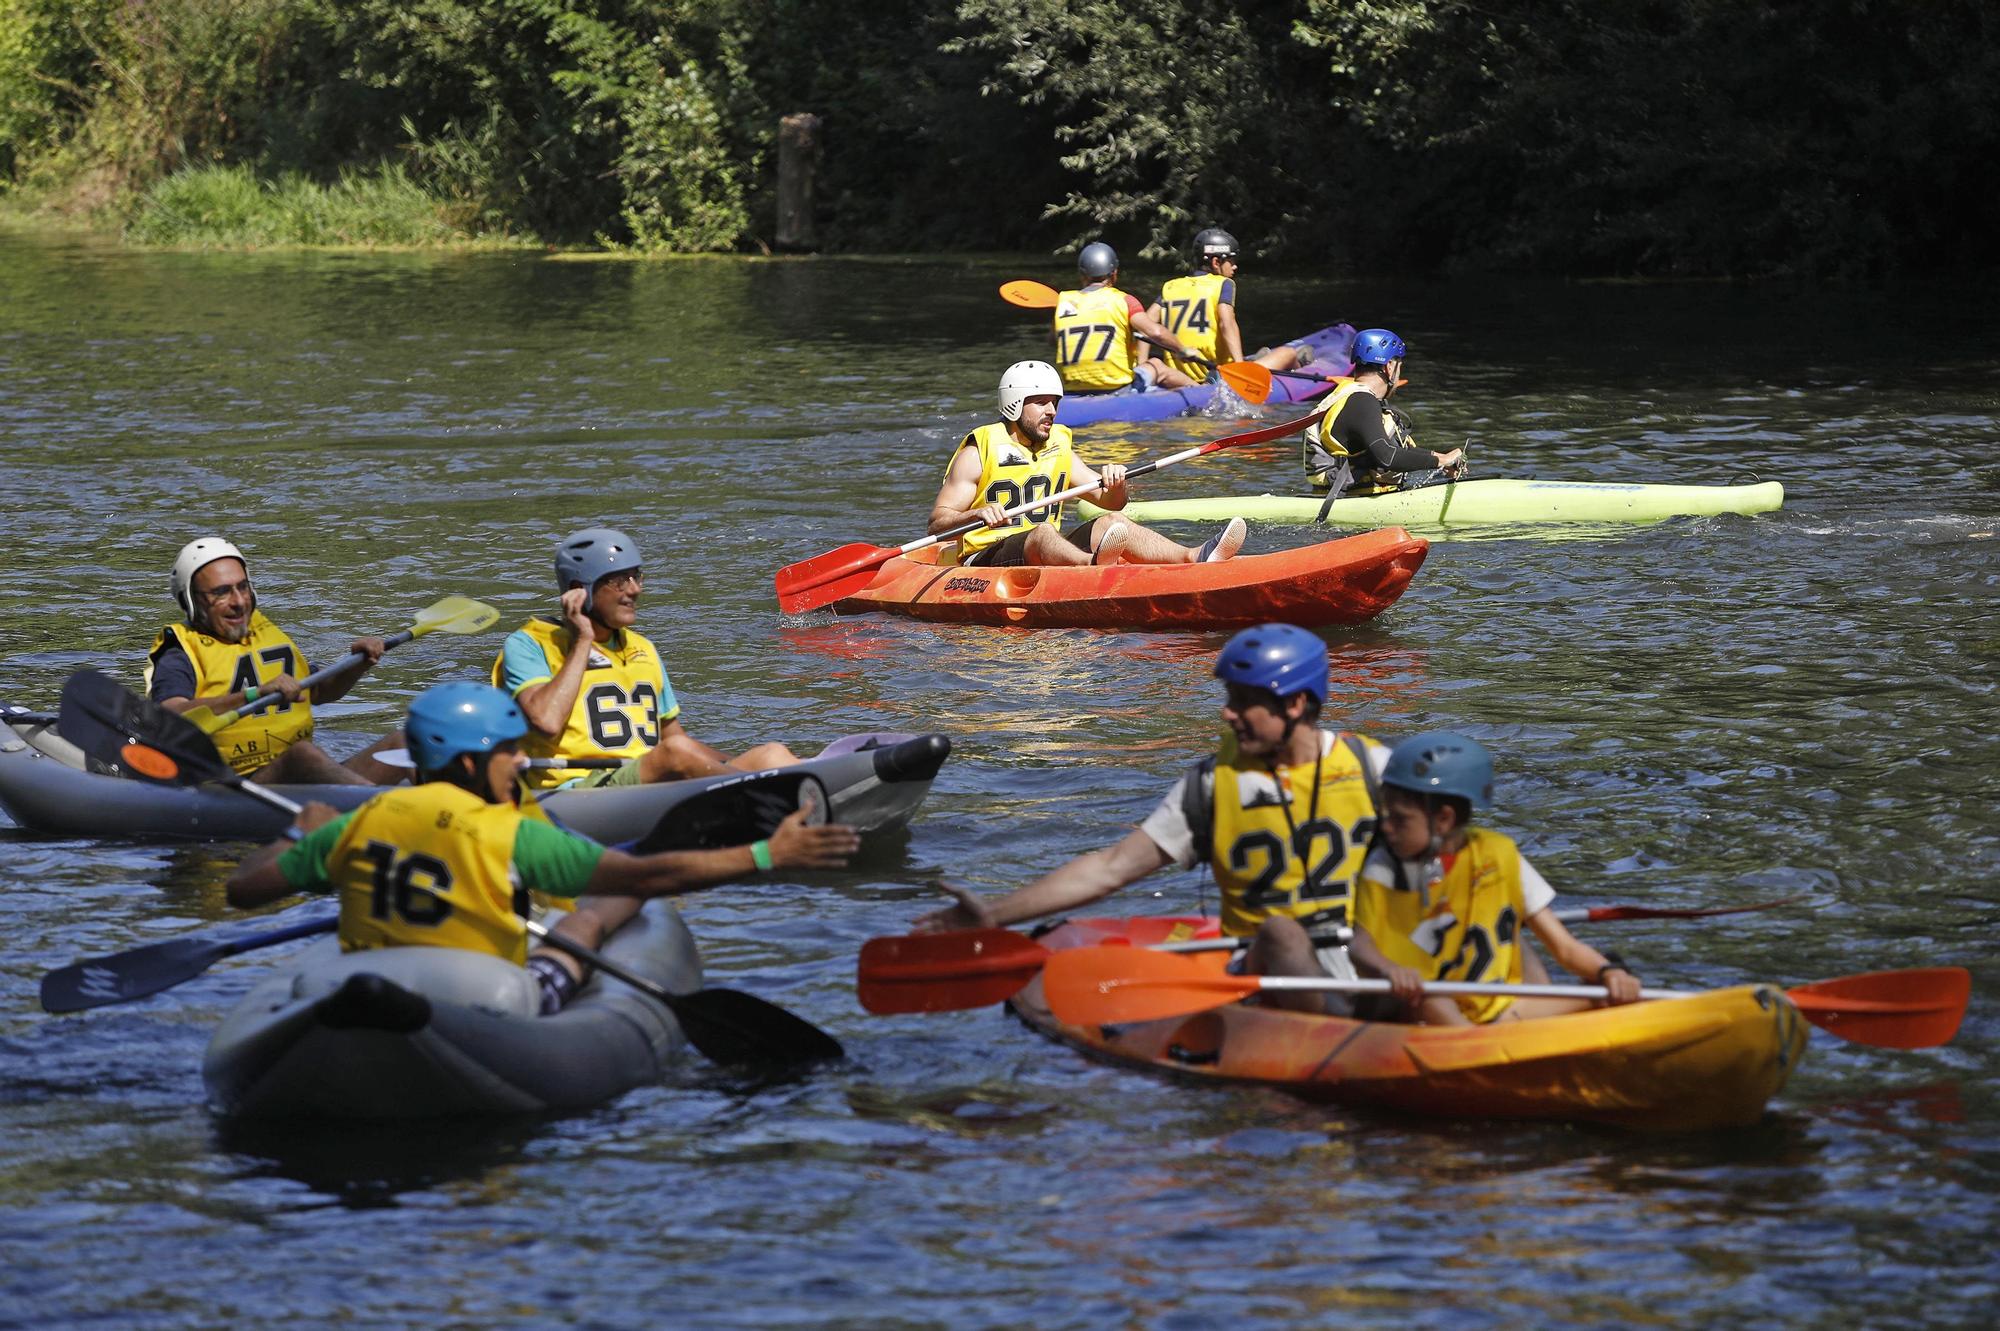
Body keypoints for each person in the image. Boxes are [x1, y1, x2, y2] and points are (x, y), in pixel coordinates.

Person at [226, 682, 859, 1014]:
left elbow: (242, 890)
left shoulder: (359, 822)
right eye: (509, 753)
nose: (520, 763)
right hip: (479, 1000)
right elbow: (646, 875)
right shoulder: (510, 833)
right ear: (472, 764)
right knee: (593, 915)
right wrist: (766, 855)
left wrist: (298, 831)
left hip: (368, 977)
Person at [915, 623, 1386, 1012]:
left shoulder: (1373, 769)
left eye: (1244, 701)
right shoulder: (1211, 786)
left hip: (1367, 959)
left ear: (1295, 704)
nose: (1228, 713)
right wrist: (993, 915)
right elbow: (1110, 869)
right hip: (1267, 972)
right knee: (1282, 932)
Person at [1346, 731, 1644, 1024]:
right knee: (1430, 998)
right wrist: (1390, 970)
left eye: (1400, 819)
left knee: (1606, 991)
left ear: (1444, 819)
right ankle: (1494, 1054)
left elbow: (1564, 947)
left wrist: (1609, 973)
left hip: (1503, 1011)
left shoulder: (1500, 854)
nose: (1386, 828)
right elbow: (1361, 946)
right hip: (1427, 1009)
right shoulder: (1383, 867)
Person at [492, 528, 800, 791]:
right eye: (619, 580)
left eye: (635, 576)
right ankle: (772, 794)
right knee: (675, 753)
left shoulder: (643, 648)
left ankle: (798, 787)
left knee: (770, 754)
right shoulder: (528, 644)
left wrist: (733, 764)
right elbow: (545, 721)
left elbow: (675, 738)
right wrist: (582, 641)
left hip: (647, 780)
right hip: (575, 791)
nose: (635, 589)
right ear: (579, 591)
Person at [929, 361, 1245, 569]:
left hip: (1041, 550)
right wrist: (977, 513)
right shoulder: (979, 449)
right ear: (1014, 404)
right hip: (985, 559)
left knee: (1111, 522)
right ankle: (1090, 567)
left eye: (1055, 401)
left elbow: (1110, 502)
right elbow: (938, 522)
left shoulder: (1059, 447)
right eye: (1041, 402)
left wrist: (1116, 484)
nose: (1051, 410)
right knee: (1041, 532)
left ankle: (1193, 557)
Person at [146, 537, 404, 785]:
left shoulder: (264, 634)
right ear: (191, 600)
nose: (238, 601)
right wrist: (252, 695)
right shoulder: (179, 652)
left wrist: (359, 663)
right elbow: (169, 715)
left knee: (403, 744)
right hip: (233, 786)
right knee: (303, 755)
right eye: (221, 592)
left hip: (303, 775)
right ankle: (375, 810)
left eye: (243, 587)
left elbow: (320, 689)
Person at [1303, 328, 1465, 495]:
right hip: (1351, 504)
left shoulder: (1350, 398)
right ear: (1390, 367)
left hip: (1345, 498)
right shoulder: (1361, 401)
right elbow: (1386, 456)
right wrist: (1442, 460)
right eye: (1399, 366)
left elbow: (1391, 450)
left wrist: (1441, 458)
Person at [1147, 227, 1313, 384]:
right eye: (1231, 260)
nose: (1235, 266)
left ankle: (1257, 360)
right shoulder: (1223, 283)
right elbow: (1227, 323)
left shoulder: (1171, 286)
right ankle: (1292, 375)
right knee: (1288, 353)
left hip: (1180, 377)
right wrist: (1240, 366)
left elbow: (1146, 325)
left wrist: (1142, 361)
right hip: (1219, 377)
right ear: (1215, 262)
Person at [1054, 241, 1199, 395]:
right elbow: (1156, 332)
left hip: (1072, 389)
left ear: (1082, 275)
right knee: (1156, 364)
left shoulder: (1063, 301)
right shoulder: (1124, 300)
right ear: (1114, 273)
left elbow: (1053, 339)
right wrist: (1182, 350)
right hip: (1117, 389)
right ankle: (1204, 392)